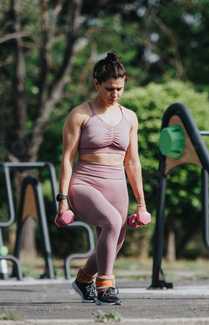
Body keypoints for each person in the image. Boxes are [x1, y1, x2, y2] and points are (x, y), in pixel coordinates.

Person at [57, 51, 147, 306]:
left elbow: (133, 162)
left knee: (115, 239)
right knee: (111, 221)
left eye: (119, 89)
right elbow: (67, 159)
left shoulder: (129, 116)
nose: (115, 94)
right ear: (96, 83)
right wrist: (62, 200)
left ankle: (84, 279)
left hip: (117, 183)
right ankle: (105, 287)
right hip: (85, 182)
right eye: (109, 88)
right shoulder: (80, 114)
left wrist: (141, 202)